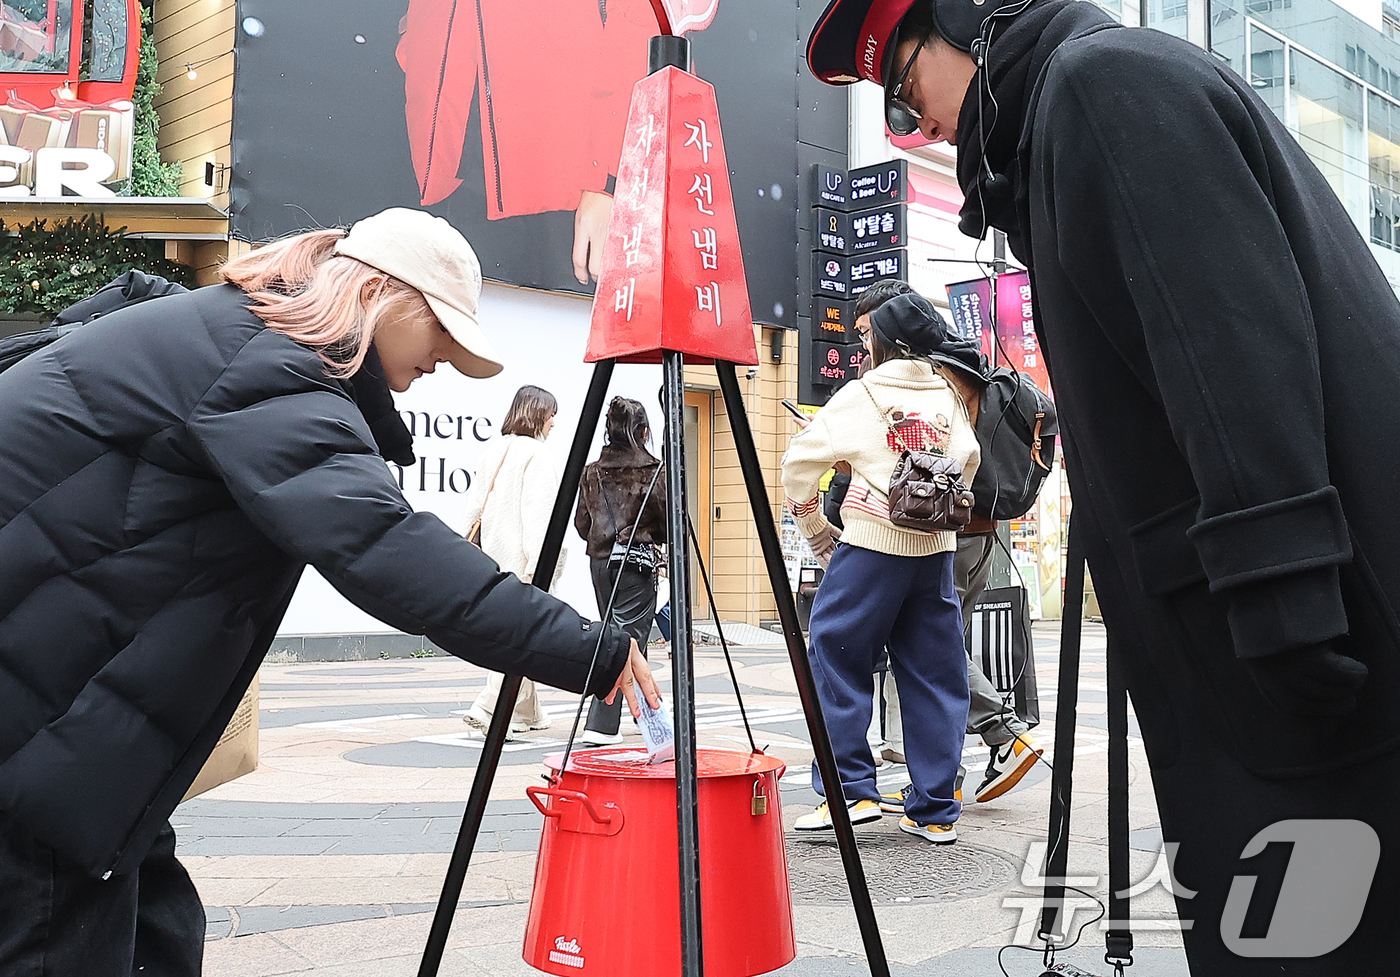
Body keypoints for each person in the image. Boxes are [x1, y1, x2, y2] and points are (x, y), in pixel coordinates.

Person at [809, 0, 1400, 969]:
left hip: (1309, 670)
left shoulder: (1101, 92)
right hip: (1276, 668)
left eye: (910, 94)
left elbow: (1230, 350)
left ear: (968, 20)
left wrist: (1287, 623)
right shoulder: (1068, 122)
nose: (921, 129)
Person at [0, 207, 658, 977]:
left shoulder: (233, 338)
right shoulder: (268, 364)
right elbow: (385, 549)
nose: (444, 359)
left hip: (62, 704)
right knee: (62, 934)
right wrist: (592, 649)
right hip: (38, 721)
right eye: (441, 331)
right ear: (380, 292)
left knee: (158, 927)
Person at [783, 292, 980, 843]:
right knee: (935, 671)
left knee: (836, 654)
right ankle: (934, 807)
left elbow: (799, 461)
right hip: (935, 548)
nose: (863, 346)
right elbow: (968, 458)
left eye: (869, 337)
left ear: (886, 342)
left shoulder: (863, 392)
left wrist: (816, 527)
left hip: (871, 546)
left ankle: (851, 791)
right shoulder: (945, 393)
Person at [852, 281, 1043, 806]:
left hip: (942, 535)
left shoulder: (929, 375)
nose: (865, 346)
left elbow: (933, 454)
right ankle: (943, 772)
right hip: (978, 531)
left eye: (868, 332)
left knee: (930, 650)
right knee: (935, 644)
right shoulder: (967, 362)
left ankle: (1003, 734)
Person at [461, 384, 564, 739]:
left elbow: (474, 507)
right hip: (523, 564)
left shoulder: (493, 451)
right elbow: (540, 518)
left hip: (490, 559)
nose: (554, 423)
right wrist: (545, 566)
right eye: (551, 415)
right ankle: (489, 704)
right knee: (521, 638)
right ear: (538, 414)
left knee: (519, 634)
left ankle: (528, 713)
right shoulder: (537, 455)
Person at [574, 396, 668, 746]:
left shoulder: (592, 470)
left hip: (599, 562)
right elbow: (668, 524)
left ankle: (636, 713)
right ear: (643, 431)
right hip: (636, 563)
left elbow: (582, 523)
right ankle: (602, 723)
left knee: (612, 635)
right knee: (627, 639)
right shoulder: (654, 470)